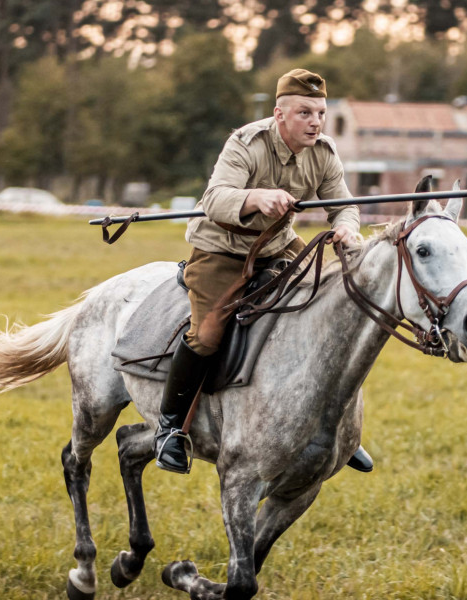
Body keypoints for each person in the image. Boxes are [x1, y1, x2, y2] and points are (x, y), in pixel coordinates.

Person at [154, 68, 374, 475]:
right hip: (222, 249)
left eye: (321, 113)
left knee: (331, 307)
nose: (316, 122)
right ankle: (170, 430)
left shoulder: (324, 153)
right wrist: (255, 197)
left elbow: (344, 203)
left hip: (276, 247)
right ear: (279, 114)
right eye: (305, 112)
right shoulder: (246, 144)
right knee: (206, 333)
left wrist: (346, 225)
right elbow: (214, 199)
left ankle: (338, 432)